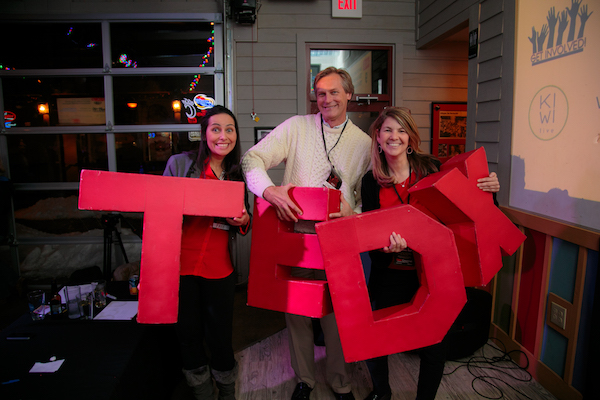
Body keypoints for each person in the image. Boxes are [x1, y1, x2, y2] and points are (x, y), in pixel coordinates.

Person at [242, 67, 371, 400]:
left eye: (334, 92)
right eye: (321, 92)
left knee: (337, 316)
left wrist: (351, 212)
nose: (326, 98)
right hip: (295, 237)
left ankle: (340, 381)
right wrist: (269, 191)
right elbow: (251, 158)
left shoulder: (365, 145)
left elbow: (369, 200)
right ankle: (305, 379)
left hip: (338, 240)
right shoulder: (297, 127)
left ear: (349, 95)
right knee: (297, 312)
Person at [360, 107, 500, 400]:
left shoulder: (433, 168)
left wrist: (490, 190)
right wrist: (386, 248)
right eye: (387, 129)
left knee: (436, 345)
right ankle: (382, 393)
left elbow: (471, 211)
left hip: (435, 273)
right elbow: (371, 235)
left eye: (401, 130)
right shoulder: (371, 181)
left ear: (410, 138)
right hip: (391, 273)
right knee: (376, 340)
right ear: (378, 136)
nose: (394, 136)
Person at [163, 105, 250, 400]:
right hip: (180, 268)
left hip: (219, 269)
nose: (223, 136)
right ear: (204, 134)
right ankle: (201, 393)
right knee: (188, 336)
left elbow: (245, 218)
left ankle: (227, 391)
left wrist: (243, 220)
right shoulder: (180, 164)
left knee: (220, 338)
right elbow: (160, 211)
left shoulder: (237, 174)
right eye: (216, 129)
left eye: (229, 129)